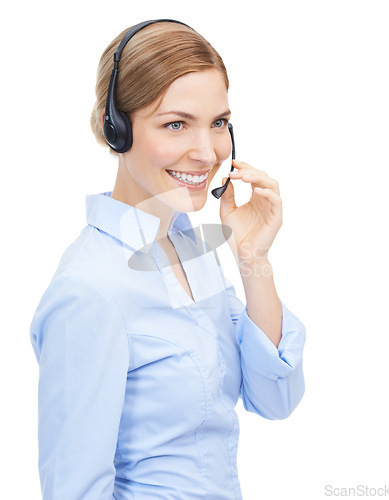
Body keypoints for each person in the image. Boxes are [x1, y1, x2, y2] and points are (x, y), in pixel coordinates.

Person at [29, 19, 306, 500]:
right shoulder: (89, 292)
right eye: (175, 124)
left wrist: (252, 260)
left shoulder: (185, 245)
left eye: (218, 123)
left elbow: (275, 398)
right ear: (113, 129)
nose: (207, 152)